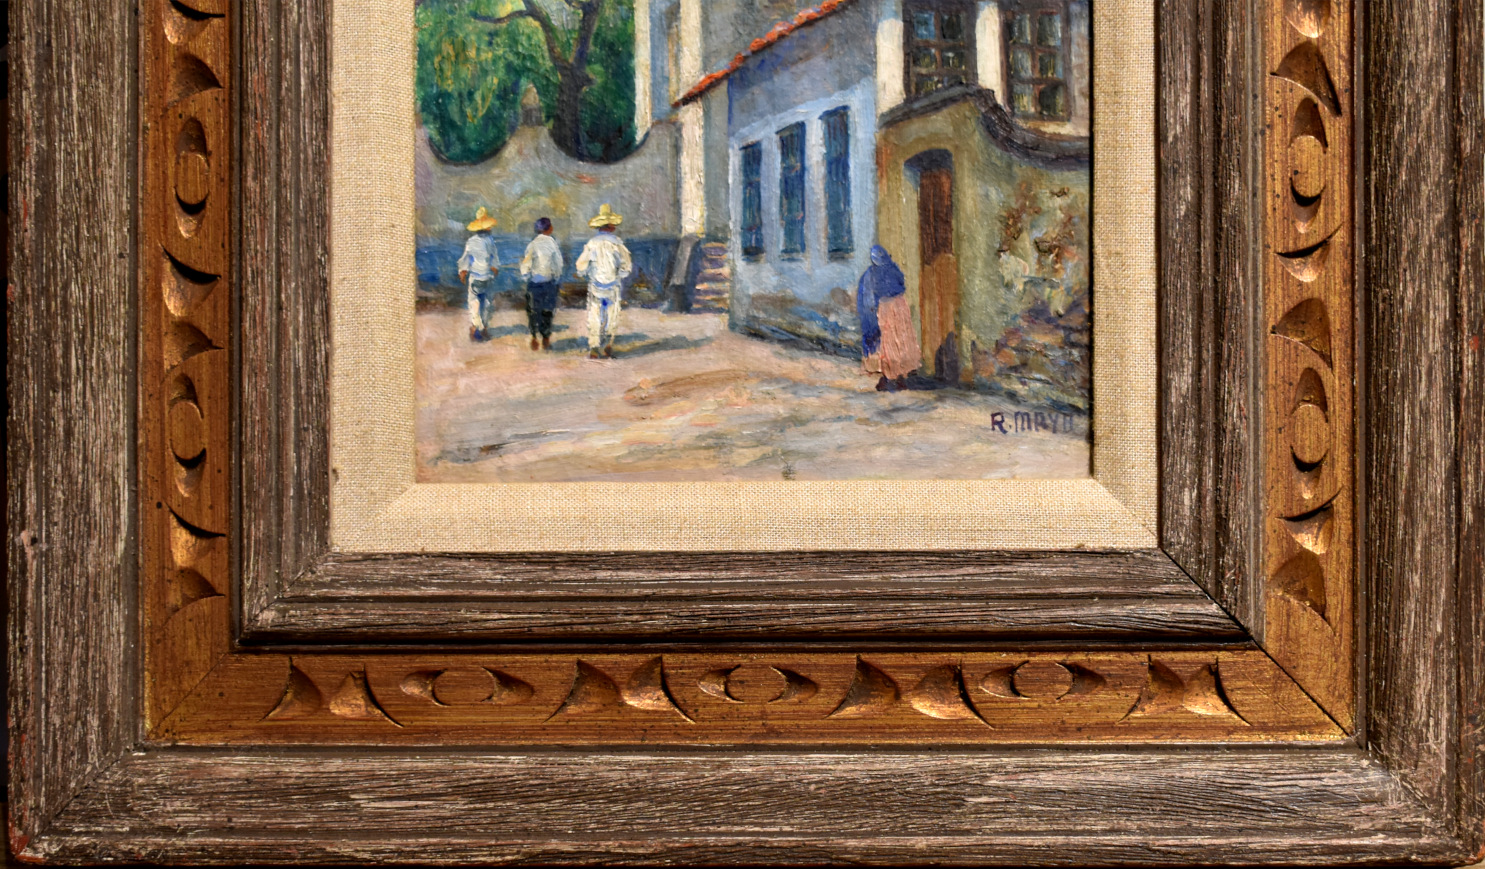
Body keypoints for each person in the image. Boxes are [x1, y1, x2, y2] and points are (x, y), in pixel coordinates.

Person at [857, 245, 922, 391]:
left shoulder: (872, 273)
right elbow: (901, 284)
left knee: (891, 343)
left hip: (887, 309)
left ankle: (891, 377)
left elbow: (868, 298)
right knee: (900, 342)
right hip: (898, 307)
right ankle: (899, 375)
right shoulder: (892, 269)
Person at [574, 204, 632, 358]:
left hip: (596, 286)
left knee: (595, 314)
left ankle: (594, 346)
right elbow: (626, 267)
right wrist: (619, 274)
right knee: (611, 314)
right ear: (612, 226)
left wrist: (582, 273)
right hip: (612, 286)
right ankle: (608, 344)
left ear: (599, 227)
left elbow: (581, 265)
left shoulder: (592, 244)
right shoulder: (618, 244)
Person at [519, 217, 564, 350]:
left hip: (534, 283)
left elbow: (526, 263)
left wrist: (525, 276)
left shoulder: (532, 244)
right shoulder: (552, 243)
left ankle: (534, 336)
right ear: (549, 228)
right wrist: (556, 277)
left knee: (533, 311)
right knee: (548, 311)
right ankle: (546, 338)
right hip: (549, 283)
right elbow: (558, 264)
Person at [458, 207, 500, 343]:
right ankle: (484, 328)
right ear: (487, 228)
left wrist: (463, 271)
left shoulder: (471, 241)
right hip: (487, 276)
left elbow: (466, 258)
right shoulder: (490, 241)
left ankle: (475, 327)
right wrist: (495, 269)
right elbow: (494, 259)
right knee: (486, 303)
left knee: (474, 303)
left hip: (475, 277)